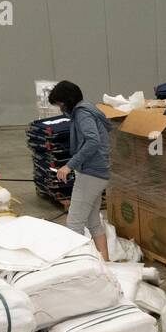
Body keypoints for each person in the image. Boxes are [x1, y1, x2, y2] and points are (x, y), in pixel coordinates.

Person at [51, 80, 111, 260]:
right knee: (93, 222)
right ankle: (106, 263)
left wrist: (70, 165)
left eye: (59, 103)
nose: (59, 108)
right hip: (96, 172)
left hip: (91, 173)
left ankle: (78, 267)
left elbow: (93, 141)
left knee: (74, 223)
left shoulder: (82, 113)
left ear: (67, 100)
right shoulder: (87, 108)